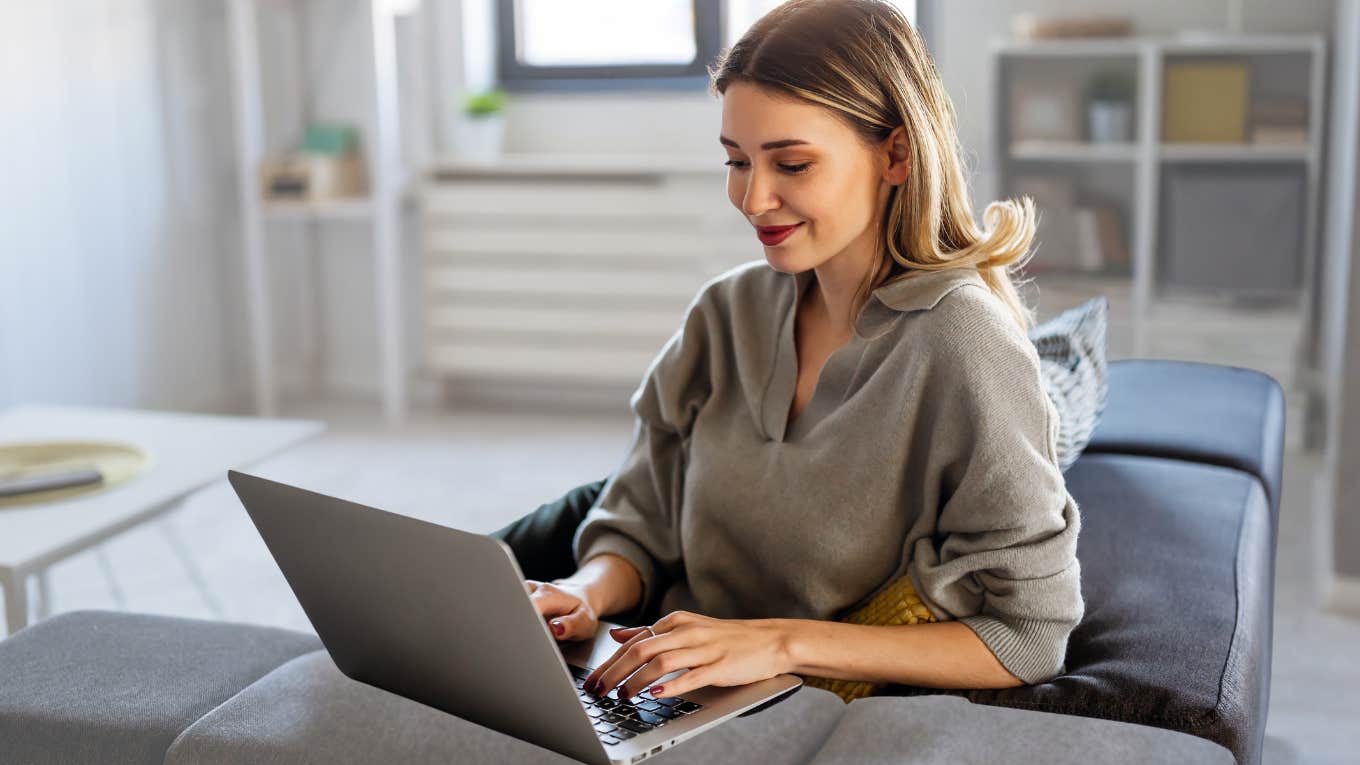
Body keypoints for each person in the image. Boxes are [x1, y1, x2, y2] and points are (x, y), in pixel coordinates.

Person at [492, 0, 1083, 706]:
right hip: (656, 683)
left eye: (792, 164)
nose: (752, 197)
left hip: (789, 711)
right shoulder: (727, 311)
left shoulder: (964, 343)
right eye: (736, 161)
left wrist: (779, 641)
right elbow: (640, 515)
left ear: (896, 154)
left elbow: (1029, 634)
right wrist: (583, 594)